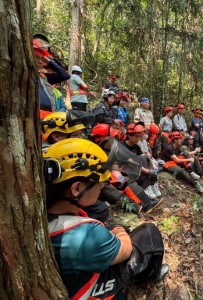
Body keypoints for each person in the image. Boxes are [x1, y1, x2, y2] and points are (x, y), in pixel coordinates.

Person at [43, 138, 169, 299]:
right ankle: (149, 278)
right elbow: (125, 250)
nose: (102, 186)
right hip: (86, 289)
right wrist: (120, 231)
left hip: (72, 274)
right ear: (76, 188)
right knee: (149, 233)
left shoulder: (44, 212)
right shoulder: (86, 236)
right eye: (99, 182)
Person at [123, 122, 163, 199]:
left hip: (137, 169)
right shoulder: (123, 146)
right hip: (127, 171)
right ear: (129, 136)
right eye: (136, 136)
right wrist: (147, 171)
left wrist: (151, 168)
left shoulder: (136, 146)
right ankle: (146, 187)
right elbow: (129, 163)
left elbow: (142, 156)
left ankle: (152, 184)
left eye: (139, 136)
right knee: (142, 158)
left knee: (145, 157)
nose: (139, 138)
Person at [34, 36, 70, 114]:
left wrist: (46, 58)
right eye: (36, 57)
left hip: (49, 118)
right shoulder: (22, 74)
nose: (40, 61)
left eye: (42, 59)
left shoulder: (44, 78)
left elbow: (65, 75)